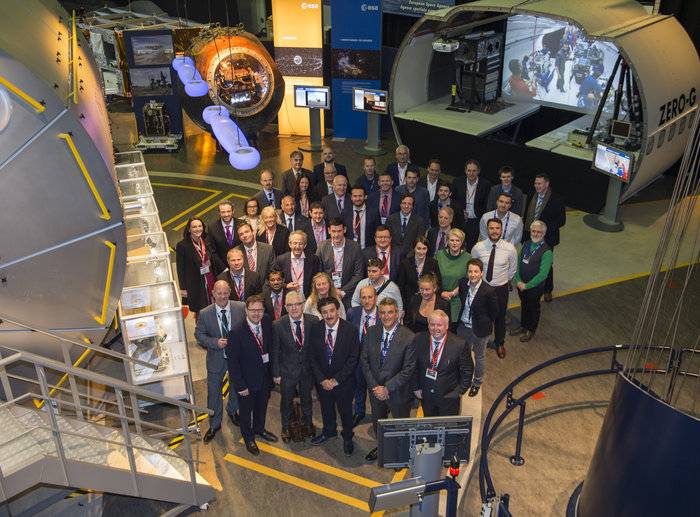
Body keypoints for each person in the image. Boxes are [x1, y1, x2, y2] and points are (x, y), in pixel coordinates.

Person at [361, 298, 416, 462]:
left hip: (397, 392)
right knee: (379, 424)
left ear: (397, 313)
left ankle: (400, 455)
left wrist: (387, 388)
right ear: (379, 314)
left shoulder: (409, 337)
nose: (386, 316)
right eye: (383, 313)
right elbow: (364, 361)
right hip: (375, 391)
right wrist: (375, 387)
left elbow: (408, 369)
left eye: (390, 312)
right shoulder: (371, 332)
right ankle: (383, 448)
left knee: (400, 426)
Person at [227, 295, 278, 455]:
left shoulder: (267, 321)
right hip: (246, 383)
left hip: (265, 378)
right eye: (253, 310)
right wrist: (240, 386)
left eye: (260, 310)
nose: (256, 314)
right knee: (246, 411)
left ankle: (259, 429)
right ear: (246, 311)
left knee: (261, 407)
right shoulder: (236, 332)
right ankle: (248, 437)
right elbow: (233, 363)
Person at [194, 280, 244, 443]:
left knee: (237, 387)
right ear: (213, 294)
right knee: (214, 393)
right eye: (219, 293)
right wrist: (215, 343)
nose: (222, 296)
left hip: (236, 359)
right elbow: (199, 334)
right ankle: (215, 424)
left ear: (229, 293)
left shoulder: (240, 307)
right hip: (216, 359)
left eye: (225, 293)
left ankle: (232, 410)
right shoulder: (205, 313)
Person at [309, 297, 360, 456]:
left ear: (337, 310)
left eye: (331, 310)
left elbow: (353, 359)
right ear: (321, 313)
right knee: (326, 408)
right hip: (323, 382)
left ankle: (347, 437)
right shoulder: (316, 329)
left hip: (343, 382)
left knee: (345, 411)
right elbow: (312, 357)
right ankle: (328, 431)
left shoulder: (350, 330)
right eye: (325, 312)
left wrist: (337, 380)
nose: (329, 315)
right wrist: (322, 379)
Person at [272, 290, 319, 442]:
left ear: (303, 304)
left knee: (307, 399)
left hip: (307, 371)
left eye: (297, 304)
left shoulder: (313, 321)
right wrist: (276, 374)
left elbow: (317, 348)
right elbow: (275, 351)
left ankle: (308, 422)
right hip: (287, 372)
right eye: (290, 305)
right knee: (286, 401)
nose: (294, 308)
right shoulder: (278, 325)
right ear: (285, 307)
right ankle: (285, 427)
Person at [470, 219, 517, 359]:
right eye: (491, 228)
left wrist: (502, 281)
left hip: (500, 289)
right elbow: (473, 266)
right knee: (481, 315)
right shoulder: (478, 247)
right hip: (483, 288)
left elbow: (512, 270)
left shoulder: (510, 249)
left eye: (497, 228)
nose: (495, 231)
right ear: (487, 229)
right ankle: (479, 342)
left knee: (500, 317)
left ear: (501, 230)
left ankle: (499, 343)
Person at [413, 310, 474, 415]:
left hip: (449, 400)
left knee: (447, 429)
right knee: (430, 424)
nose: (435, 328)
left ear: (446, 326)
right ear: (428, 325)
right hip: (426, 396)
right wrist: (416, 387)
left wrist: (458, 392)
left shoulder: (459, 345)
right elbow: (413, 366)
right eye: (432, 324)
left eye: (439, 325)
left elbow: (467, 371)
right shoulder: (419, 339)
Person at [455, 259, 498, 396]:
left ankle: (477, 382)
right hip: (463, 326)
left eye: (476, 271)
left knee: (479, 357)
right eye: (470, 271)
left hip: (480, 329)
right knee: (462, 354)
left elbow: (494, 312)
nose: (472, 274)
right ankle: (463, 378)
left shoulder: (488, 291)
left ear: (481, 273)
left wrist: (483, 322)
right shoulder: (463, 283)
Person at [523, 173, 565, 302]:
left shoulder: (556, 199)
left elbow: (561, 221)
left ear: (547, 184)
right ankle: (529, 282)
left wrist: (542, 229)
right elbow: (526, 215)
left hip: (547, 238)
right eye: (536, 183)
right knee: (528, 261)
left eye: (540, 183)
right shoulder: (532, 196)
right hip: (530, 236)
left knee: (546, 264)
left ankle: (547, 290)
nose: (537, 186)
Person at [511, 220, 553, 342]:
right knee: (524, 305)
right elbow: (518, 263)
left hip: (534, 287)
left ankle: (531, 329)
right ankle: (523, 325)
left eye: (539, 232)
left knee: (533, 308)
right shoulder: (527, 244)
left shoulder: (547, 251)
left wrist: (527, 285)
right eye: (533, 231)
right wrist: (518, 280)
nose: (535, 234)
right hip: (521, 284)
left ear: (544, 233)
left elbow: (543, 274)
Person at [347, 286, 379, 427]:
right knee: (359, 387)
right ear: (360, 299)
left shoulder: (383, 313)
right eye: (364, 297)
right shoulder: (352, 312)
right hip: (358, 359)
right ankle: (359, 412)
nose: (367, 301)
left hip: (377, 361)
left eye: (370, 297)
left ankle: (378, 416)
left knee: (375, 390)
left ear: (376, 297)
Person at [316, 218, 365, 308]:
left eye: (339, 231)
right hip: (327, 293)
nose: (336, 235)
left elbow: (358, 274)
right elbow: (318, 273)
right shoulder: (322, 247)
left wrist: (342, 291)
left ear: (344, 230)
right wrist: (331, 290)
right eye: (333, 231)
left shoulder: (355, 248)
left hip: (349, 294)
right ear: (329, 231)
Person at [176, 217, 216, 319]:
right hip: (195, 283)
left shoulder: (206, 240)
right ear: (189, 229)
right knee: (200, 310)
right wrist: (183, 288)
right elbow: (180, 269)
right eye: (194, 227)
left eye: (200, 226)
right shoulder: (182, 245)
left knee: (212, 305)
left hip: (209, 278)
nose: (198, 229)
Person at [452, 159, 492, 251]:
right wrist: (460, 211)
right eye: (469, 170)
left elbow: (487, 204)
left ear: (478, 171)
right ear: (465, 171)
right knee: (457, 245)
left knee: (471, 247)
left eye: (474, 171)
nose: (471, 173)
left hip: (475, 221)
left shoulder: (485, 185)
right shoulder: (458, 182)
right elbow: (453, 201)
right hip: (460, 219)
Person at [436, 228, 471, 325]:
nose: (454, 243)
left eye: (457, 240)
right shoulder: (439, 255)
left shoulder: (468, 258)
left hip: (457, 299)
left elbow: (468, 280)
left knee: (453, 329)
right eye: (452, 240)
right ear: (447, 241)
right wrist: (441, 292)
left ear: (462, 242)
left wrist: (452, 293)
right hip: (440, 297)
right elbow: (433, 277)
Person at [396, 236, 442, 306]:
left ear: (427, 249)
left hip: (428, 302)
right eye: (418, 248)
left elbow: (438, 284)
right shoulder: (405, 264)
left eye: (424, 249)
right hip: (409, 303)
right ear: (414, 248)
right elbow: (401, 286)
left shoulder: (433, 263)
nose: (421, 252)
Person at [276, 230, 321, 298]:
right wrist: (286, 286)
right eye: (295, 243)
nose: (297, 246)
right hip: (288, 299)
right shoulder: (281, 260)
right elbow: (274, 280)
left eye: (300, 243)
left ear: (305, 245)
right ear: (290, 244)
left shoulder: (313, 260)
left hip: (308, 300)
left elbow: (317, 280)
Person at [206, 199, 241, 275]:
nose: (226, 214)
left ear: (233, 211)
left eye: (228, 211)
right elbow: (212, 251)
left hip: (241, 266)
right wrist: (224, 269)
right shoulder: (212, 228)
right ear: (219, 213)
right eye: (223, 212)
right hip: (222, 270)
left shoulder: (241, 224)